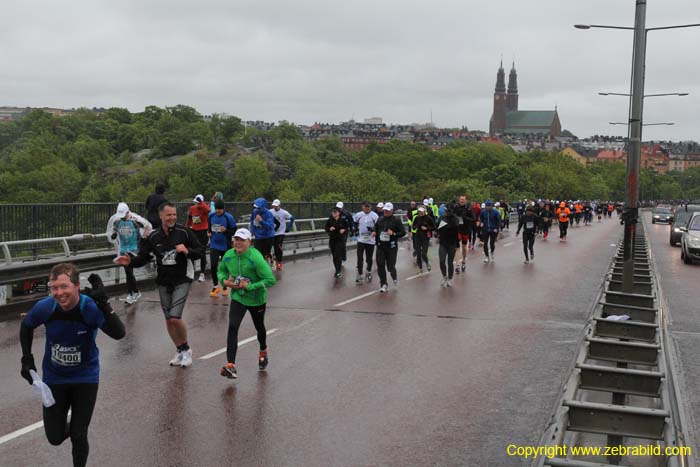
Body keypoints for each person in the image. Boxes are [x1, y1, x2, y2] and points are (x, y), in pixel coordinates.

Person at [19, 265, 125, 467]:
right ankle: (74, 426)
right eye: (54, 287)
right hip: (54, 378)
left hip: (85, 378)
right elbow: (27, 325)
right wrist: (26, 358)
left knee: (78, 434)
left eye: (64, 287)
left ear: (77, 285)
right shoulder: (46, 307)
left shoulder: (90, 308)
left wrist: (104, 304)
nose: (59, 293)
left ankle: (79, 432)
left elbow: (119, 333)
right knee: (55, 437)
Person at [115, 202, 204, 367]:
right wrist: (129, 261)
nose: (172, 218)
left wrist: (187, 251)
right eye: (169, 215)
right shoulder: (153, 237)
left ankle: (187, 349)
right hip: (163, 281)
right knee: (168, 320)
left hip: (182, 279)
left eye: (174, 215)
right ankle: (180, 350)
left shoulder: (184, 232)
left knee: (175, 317)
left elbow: (200, 251)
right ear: (161, 216)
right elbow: (143, 258)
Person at [217, 228, 276, 379]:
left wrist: (250, 286)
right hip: (238, 297)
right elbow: (221, 271)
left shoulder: (255, 258)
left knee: (259, 328)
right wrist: (224, 281)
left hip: (256, 299)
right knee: (232, 327)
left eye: (242, 240)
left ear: (249, 242)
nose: (238, 242)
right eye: (236, 239)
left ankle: (263, 350)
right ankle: (231, 365)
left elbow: (270, 280)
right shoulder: (229, 255)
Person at [106, 202, 152, 304]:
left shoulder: (135, 219)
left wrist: (143, 238)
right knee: (128, 272)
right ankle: (135, 292)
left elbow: (148, 226)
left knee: (128, 271)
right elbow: (113, 230)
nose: (122, 218)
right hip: (123, 248)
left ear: (127, 212)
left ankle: (131, 294)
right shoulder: (117, 220)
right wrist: (113, 235)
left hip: (134, 248)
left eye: (123, 216)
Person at [374, 202, 406, 292]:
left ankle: (394, 276)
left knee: (390, 266)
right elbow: (375, 229)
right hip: (381, 246)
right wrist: (373, 232)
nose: (386, 212)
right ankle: (383, 284)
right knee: (380, 265)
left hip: (391, 246)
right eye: (385, 210)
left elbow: (403, 232)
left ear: (392, 210)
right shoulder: (380, 219)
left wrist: (394, 233)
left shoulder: (396, 220)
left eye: (388, 210)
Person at [208, 200, 237, 297]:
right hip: (214, 245)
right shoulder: (211, 216)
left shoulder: (228, 217)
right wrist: (208, 232)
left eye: (219, 209)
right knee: (213, 265)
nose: (217, 211)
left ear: (223, 209)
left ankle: (225, 286)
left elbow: (234, 230)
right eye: (216, 209)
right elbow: (209, 227)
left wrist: (226, 230)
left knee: (225, 267)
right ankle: (216, 286)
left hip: (225, 246)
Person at [186, 194, 211, 282]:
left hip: (203, 232)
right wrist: (187, 228)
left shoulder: (205, 207)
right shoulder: (192, 208)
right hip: (194, 232)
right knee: (192, 251)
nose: (197, 204)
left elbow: (208, 210)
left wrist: (202, 203)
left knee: (202, 252)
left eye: (198, 202)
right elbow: (189, 219)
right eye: (196, 202)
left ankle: (202, 274)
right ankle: (192, 273)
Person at [353, 201, 379, 283]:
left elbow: (379, 226)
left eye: (368, 207)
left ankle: (368, 272)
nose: (367, 208)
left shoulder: (375, 216)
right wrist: (355, 229)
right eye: (365, 207)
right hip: (361, 239)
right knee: (360, 257)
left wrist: (374, 231)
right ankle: (360, 274)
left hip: (370, 240)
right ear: (362, 207)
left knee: (369, 258)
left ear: (371, 207)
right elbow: (353, 223)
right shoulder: (358, 215)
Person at [435, 203, 460, 287]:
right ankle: (444, 277)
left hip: (452, 243)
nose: (446, 212)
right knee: (442, 261)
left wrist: (450, 219)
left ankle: (450, 278)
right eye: (445, 210)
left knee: (450, 262)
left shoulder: (456, 218)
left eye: (448, 211)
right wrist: (436, 233)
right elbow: (437, 228)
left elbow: (457, 226)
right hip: (443, 243)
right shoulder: (442, 218)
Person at [325, 208, 350, 278]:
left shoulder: (343, 220)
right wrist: (329, 229)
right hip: (332, 240)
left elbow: (347, 228)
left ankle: (338, 271)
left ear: (338, 213)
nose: (334, 214)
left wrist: (343, 230)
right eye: (333, 213)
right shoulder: (330, 220)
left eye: (335, 213)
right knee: (334, 256)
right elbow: (326, 229)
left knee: (338, 255)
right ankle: (337, 269)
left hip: (340, 240)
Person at [250, 198, 276, 264]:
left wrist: (261, 221)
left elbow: (270, 226)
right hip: (258, 236)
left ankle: (268, 264)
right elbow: (252, 222)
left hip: (268, 236)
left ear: (263, 207)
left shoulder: (269, 214)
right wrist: (252, 231)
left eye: (259, 208)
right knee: (257, 254)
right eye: (256, 207)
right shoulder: (254, 212)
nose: (257, 209)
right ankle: (259, 268)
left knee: (265, 254)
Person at [271, 199, 295, 270]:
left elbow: (292, 218)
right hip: (273, 232)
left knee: (278, 247)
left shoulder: (284, 212)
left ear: (279, 205)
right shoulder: (270, 212)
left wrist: (289, 227)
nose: (275, 207)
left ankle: (279, 262)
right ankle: (274, 261)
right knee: (274, 248)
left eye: (276, 206)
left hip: (281, 232)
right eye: (274, 206)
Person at [453, 195, 474, 274]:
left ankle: (464, 261)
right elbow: (452, 216)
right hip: (458, 229)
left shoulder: (468, 208)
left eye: (463, 200)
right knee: (457, 247)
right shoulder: (456, 207)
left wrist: (465, 218)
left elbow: (473, 219)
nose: (461, 201)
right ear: (459, 200)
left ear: (465, 200)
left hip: (465, 229)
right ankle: (457, 265)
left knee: (464, 247)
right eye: (460, 199)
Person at [412, 205, 434, 273]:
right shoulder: (417, 218)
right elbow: (413, 226)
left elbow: (434, 227)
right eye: (419, 212)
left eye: (422, 212)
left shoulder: (429, 218)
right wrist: (416, 226)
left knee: (424, 254)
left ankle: (427, 264)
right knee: (418, 254)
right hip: (418, 237)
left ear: (425, 211)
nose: (420, 213)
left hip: (425, 237)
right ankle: (420, 269)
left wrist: (427, 228)